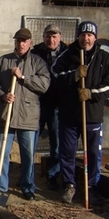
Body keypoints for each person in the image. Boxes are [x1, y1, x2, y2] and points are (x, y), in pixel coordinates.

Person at [51, 21, 109, 204]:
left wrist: (90, 93)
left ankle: (91, 187)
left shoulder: (104, 59)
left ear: (95, 38)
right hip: (69, 115)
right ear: (78, 37)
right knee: (68, 152)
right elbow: (54, 77)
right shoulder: (66, 56)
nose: (86, 39)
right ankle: (69, 185)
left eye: (89, 35)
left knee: (94, 153)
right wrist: (74, 76)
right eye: (82, 35)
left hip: (92, 116)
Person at [0, 28, 50, 200]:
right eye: (18, 41)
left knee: (28, 155)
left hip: (28, 117)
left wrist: (23, 78)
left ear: (30, 43)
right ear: (15, 42)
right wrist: (1, 94)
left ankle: (28, 187)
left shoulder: (38, 63)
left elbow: (44, 85)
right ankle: (1, 186)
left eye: (24, 41)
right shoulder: (2, 61)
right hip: (6, 115)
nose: (21, 44)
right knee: (1, 153)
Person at [31, 24, 68, 190]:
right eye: (48, 36)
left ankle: (53, 176)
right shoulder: (36, 53)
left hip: (57, 105)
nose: (51, 40)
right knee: (31, 141)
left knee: (57, 142)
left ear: (59, 37)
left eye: (54, 36)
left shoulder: (67, 54)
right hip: (38, 103)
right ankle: (27, 175)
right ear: (43, 37)